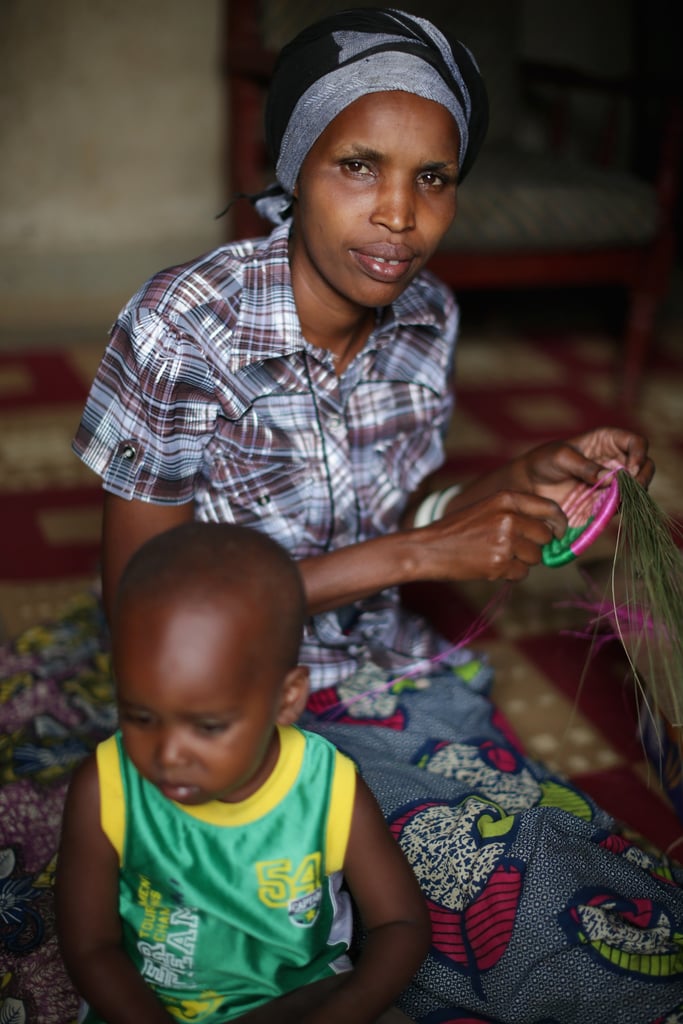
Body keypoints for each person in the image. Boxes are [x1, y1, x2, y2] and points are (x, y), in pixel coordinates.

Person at [71, 7, 683, 1022]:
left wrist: (532, 471)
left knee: (526, 865)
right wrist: (417, 547)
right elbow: (139, 597)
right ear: (293, 167)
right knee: (275, 918)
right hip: (226, 700)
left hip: (386, 665)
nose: (398, 214)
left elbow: (398, 510)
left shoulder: (425, 315)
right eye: (357, 165)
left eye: (431, 178)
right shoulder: (182, 325)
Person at [55, 521, 430, 1024]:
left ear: (287, 698)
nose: (168, 753)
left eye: (208, 726)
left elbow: (400, 923)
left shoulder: (326, 787)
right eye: (140, 716)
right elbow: (92, 948)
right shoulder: (105, 787)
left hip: (301, 998)